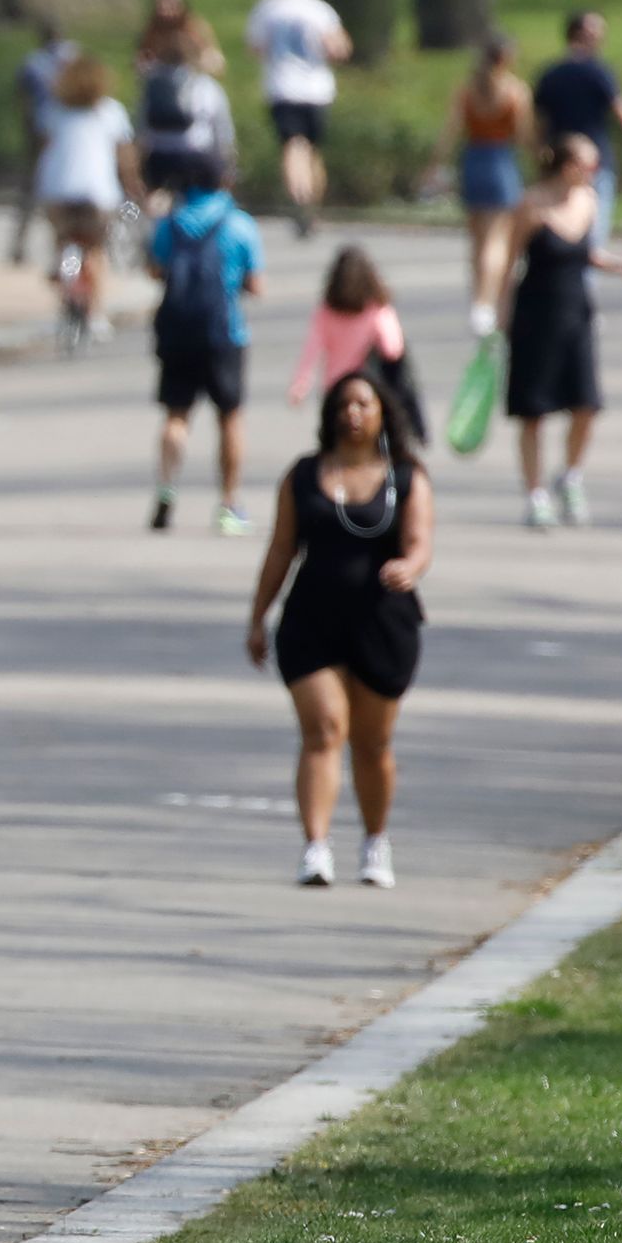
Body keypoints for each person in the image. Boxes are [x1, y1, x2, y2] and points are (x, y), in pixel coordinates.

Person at [248, 368, 432, 890]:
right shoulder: (304, 475)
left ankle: (375, 842)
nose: (353, 413)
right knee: (324, 729)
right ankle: (316, 847)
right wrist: (258, 616)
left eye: (363, 404)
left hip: (383, 624)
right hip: (311, 621)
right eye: (344, 404)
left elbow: (420, 542)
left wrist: (410, 567)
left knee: (372, 744)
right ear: (330, 415)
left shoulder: (405, 477)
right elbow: (281, 550)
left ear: (382, 414)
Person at [143, 149, 263, 534]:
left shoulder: (171, 222)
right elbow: (255, 283)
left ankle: (166, 488)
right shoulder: (239, 224)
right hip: (225, 333)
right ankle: (228, 503)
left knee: (176, 415)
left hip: (177, 331)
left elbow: (155, 268)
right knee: (229, 418)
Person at [503, 129, 607, 528]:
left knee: (586, 405)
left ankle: (571, 476)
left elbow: (587, 254)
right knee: (534, 411)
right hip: (536, 314)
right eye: (589, 163)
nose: (594, 170)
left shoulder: (589, 201)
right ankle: (535, 493)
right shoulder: (531, 204)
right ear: (568, 166)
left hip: (577, 313)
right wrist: (499, 312)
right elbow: (510, 260)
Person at [29, 47, 136, 334]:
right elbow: (124, 155)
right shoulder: (111, 111)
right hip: (97, 191)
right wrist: (133, 184)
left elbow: (44, 147)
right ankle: (95, 313)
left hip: (57, 189)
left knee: (63, 240)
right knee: (95, 249)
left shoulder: (53, 110)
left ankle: (62, 283)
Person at [242, 0, 349, 238]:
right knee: (312, 150)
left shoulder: (268, 7)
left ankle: (298, 196)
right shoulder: (319, 9)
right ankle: (312, 204)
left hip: (283, 86)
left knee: (292, 146)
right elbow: (339, 48)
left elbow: (256, 48)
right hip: (316, 88)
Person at [288, 243, 421, 446]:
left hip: (335, 389)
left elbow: (311, 352)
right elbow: (392, 348)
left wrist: (300, 386)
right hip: (366, 388)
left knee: (335, 444)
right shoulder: (377, 308)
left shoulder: (326, 311)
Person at [533, 10, 622, 236]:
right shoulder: (598, 71)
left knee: (559, 226)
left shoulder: (550, 73)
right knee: (595, 226)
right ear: (581, 34)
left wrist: (539, 150)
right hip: (594, 158)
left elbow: (538, 119)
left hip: (559, 160)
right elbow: (620, 106)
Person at [452, 37, 533, 334]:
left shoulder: (468, 89)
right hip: (500, 159)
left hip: (473, 158)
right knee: (496, 238)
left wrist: (434, 164)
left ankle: (478, 298)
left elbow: (451, 130)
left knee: (477, 237)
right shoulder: (515, 90)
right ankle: (486, 302)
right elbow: (523, 134)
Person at [135, 9, 234, 187]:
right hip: (197, 158)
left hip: (158, 158)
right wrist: (229, 163)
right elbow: (222, 128)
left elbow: (141, 126)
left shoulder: (152, 84)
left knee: (158, 194)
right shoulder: (205, 85)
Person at [9, 28, 74, 264]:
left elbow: (22, 96)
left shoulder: (33, 63)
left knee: (32, 189)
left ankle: (19, 245)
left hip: (39, 131)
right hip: (65, 132)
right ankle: (62, 251)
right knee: (62, 190)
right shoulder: (72, 58)